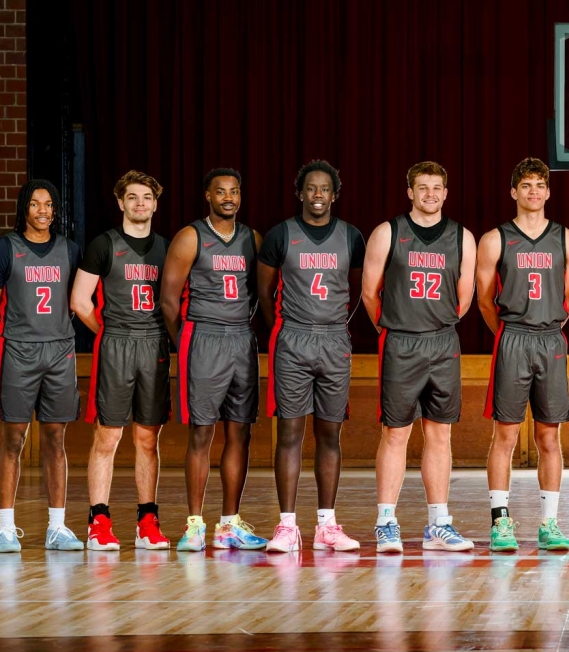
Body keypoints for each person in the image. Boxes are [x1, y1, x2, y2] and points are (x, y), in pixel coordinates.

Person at [362, 161, 477, 552]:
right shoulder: (387, 232)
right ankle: (386, 521)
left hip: (443, 343)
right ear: (410, 192)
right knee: (396, 433)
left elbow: (464, 299)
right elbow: (369, 293)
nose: (430, 194)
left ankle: (438, 524)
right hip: (402, 342)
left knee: (440, 434)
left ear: (446, 193)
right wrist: (395, 328)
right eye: (422, 187)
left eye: (437, 188)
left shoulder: (463, 237)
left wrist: (435, 325)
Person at [257, 160, 365, 553]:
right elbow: (264, 293)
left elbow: (354, 289)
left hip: (334, 340)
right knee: (289, 433)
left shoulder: (352, 237)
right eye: (311, 189)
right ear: (300, 193)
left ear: (335, 195)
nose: (318, 195)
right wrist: (284, 329)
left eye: (325, 189)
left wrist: (333, 326)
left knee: (329, 434)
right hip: (293, 340)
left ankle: (326, 525)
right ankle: (287, 526)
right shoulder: (280, 235)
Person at [161, 168, 269, 552]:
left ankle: (229, 524)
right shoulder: (190, 237)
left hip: (241, 338)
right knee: (202, 434)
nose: (229, 197)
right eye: (221, 191)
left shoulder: (252, 239)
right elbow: (169, 300)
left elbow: (261, 292)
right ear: (207, 195)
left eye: (235, 191)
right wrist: (185, 342)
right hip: (202, 337)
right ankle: (194, 526)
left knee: (240, 431)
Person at [475, 158, 569, 551]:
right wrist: (507, 334)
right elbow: (485, 300)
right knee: (504, 435)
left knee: (549, 436)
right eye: (526, 185)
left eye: (540, 185)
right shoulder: (495, 239)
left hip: (551, 339)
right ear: (514, 192)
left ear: (548, 192)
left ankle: (548, 523)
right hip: (512, 337)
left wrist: (548, 327)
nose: (533, 191)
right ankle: (500, 522)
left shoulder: (567, 239)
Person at [71, 170, 172, 551]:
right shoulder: (103, 245)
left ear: (155, 203)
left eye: (146, 197)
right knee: (108, 435)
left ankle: (147, 521)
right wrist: (109, 333)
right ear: (120, 202)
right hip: (116, 343)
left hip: (154, 345)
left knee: (148, 438)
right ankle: (99, 521)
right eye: (132, 197)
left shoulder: (167, 247)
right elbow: (80, 301)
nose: (140, 203)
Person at [0, 180, 83, 553]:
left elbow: (79, 298)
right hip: (19, 352)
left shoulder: (70, 250)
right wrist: (6, 348)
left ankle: (56, 528)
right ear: (24, 208)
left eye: (49, 205)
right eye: (35, 204)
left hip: (59, 353)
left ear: (55, 211)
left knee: (56, 439)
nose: (43, 210)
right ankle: (6, 527)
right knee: (14, 440)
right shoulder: (3, 250)